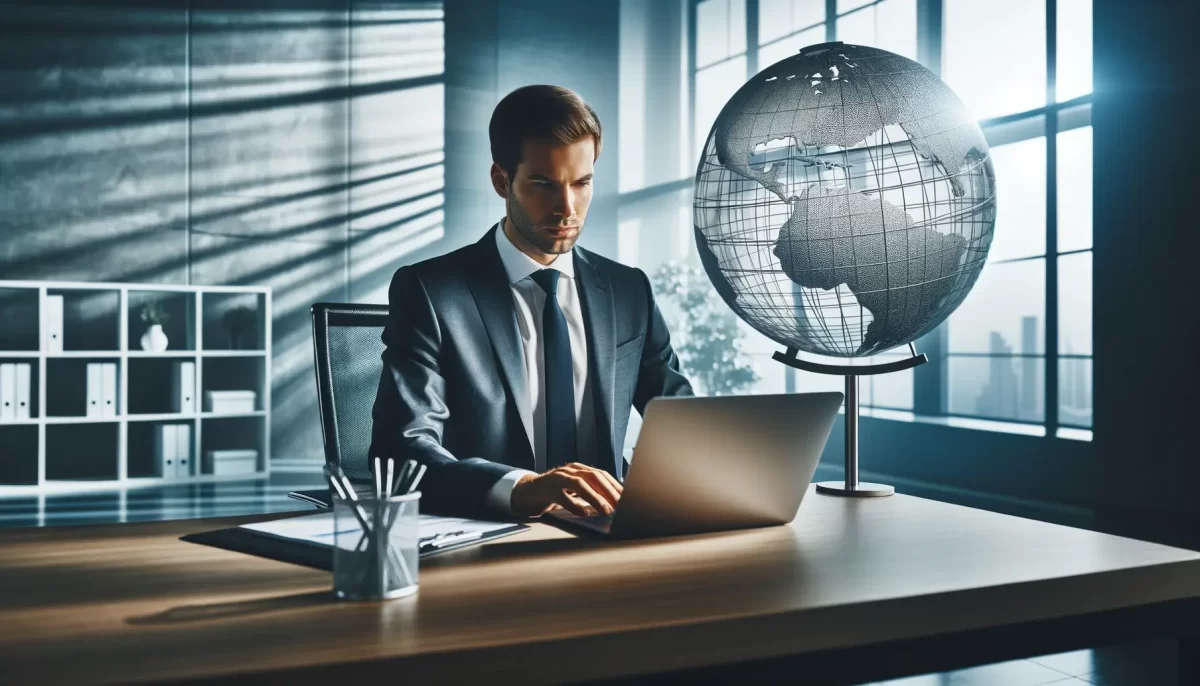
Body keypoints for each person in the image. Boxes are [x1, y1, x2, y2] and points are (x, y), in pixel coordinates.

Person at [369, 84, 693, 519]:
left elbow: (682, 418)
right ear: (502, 180)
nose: (567, 208)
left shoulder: (629, 290)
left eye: (582, 183)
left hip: (614, 533)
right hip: (495, 536)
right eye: (543, 184)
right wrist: (521, 488)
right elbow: (400, 451)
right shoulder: (431, 292)